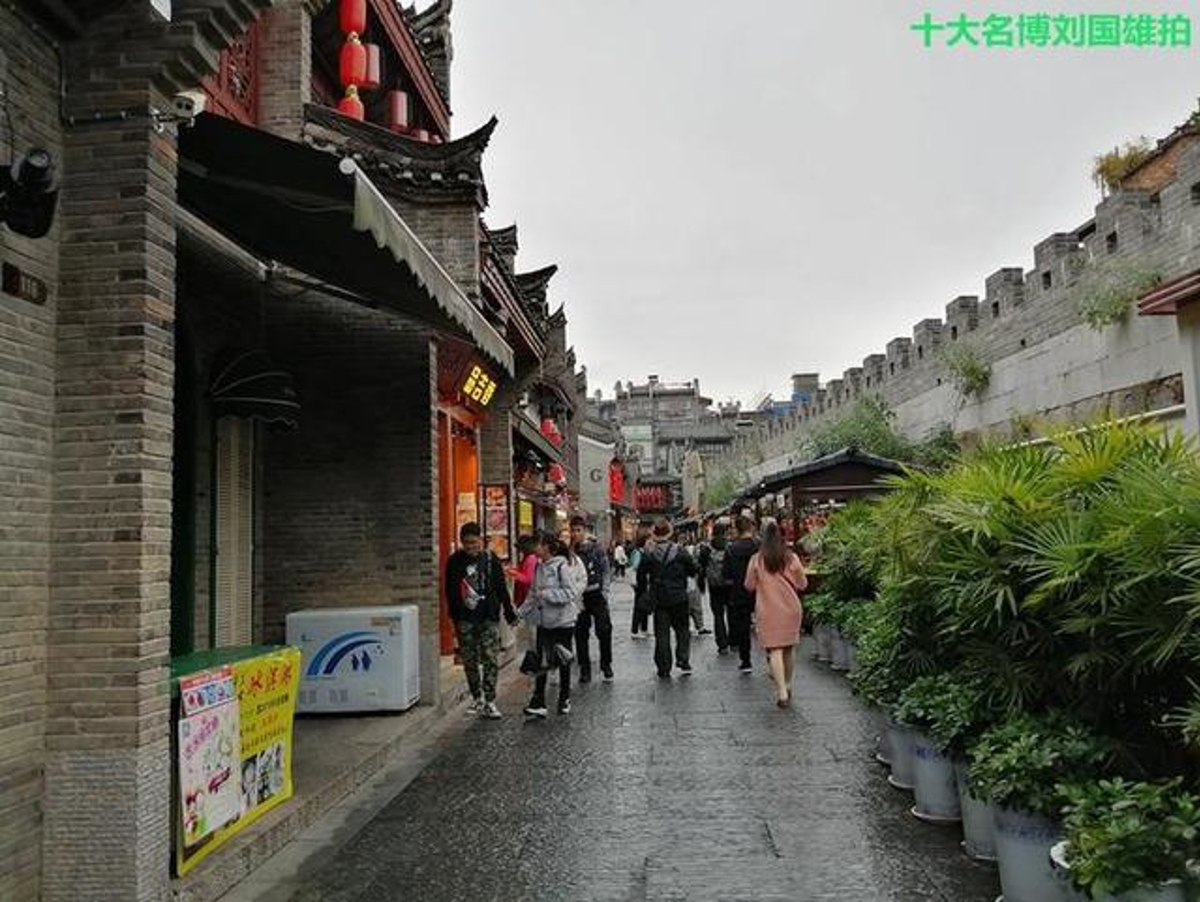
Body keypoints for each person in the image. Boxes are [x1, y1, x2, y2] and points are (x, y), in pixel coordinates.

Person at [445, 522, 517, 719]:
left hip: (488, 616)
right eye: (467, 543)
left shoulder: (490, 559)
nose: (471, 547)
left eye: (474, 543)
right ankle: (477, 698)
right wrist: (453, 616)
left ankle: (490, 700)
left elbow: (501, 587)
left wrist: (509, 612)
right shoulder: (454, 561)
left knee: (490, 659)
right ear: (462, 542)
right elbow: (450, 591)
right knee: (469, 660)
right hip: (465, 618)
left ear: (481, 540)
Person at [520, 532, 587, 718]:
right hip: (543, 622)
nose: (535, 548)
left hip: (563, 622)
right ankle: (538, 701)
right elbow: (532, 594)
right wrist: (519, 614)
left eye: (538, 545)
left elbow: (571, 593)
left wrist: (548, 595)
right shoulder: (539, 567)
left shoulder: (561, 567)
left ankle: (564, 698)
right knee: (541, 661)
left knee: (562, 660)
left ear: (548, 547)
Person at [744, 519, 808, 708]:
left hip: (768, 610)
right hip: (791, 609)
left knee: (774, 649)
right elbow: (803, 584)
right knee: (789, 648)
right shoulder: (792, 558)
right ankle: (788, 684)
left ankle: (781, 692)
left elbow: (749, 585)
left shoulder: (757, 560)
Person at [637, 518, 698, 678]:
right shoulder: (680, 551)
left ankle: (664, 667)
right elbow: (693, 570)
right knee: (683, 630)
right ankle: (683, 660)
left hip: (660, 599)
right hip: (679, 597)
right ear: (669, 533)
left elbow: (640, 576)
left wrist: (644, 592)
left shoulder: (649, 554)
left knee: (662, 634)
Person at [570, 515, 614, 683]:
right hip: (579, 597)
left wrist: (605, 591)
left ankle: (606, 664)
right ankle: (584, 668)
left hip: (596, 594)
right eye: (573, 530)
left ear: (585, 531)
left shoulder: (597, 549)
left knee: (604, 630)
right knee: (581, 634)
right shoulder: (570, 551)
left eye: (578, 530)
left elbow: (605, 570)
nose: (575, 534)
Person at [721, 514, 760, 674]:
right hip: (760, 590)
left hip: (739, 591)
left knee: (743, 627)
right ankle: (772, 657)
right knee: (764, 624)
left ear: (736, 529)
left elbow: (726, 574)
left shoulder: (731, 548)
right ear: (751, 527)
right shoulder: (759, 546)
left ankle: (746, 660)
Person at [705, 520, 732, 654]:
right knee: (731, 612)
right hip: (729, 584)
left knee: (718, 615)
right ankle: (733, 639)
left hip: (714, 585)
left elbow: (701, 564)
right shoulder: (730, 546)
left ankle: (722, 643)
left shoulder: (707, 547)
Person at [629, 529, 651, 639]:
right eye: (648, 541)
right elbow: (634, 567)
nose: (650, 543)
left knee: (644, 605)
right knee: (639, 606)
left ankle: (644, 629)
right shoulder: (637, 552)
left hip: (644, 582)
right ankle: (634, 630)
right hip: (639, 582)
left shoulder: (643, 552)